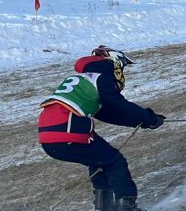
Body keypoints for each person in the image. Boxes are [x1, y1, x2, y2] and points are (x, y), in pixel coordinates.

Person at [38, 46, 165, 211]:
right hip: (68, 128)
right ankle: (127, 208)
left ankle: (104, 207)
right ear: (114, 63)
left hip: (48, 135)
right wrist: (148, 117)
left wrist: (144, 121)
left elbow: (108, 113)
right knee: (114, 161)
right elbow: (119, 105)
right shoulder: (101, 76)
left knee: (99, 161)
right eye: (122, 67)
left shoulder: (84, 78)